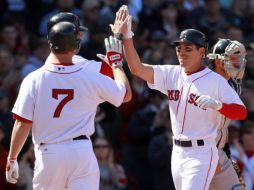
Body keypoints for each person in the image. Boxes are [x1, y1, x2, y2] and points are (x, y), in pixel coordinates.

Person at [111, 5, 247, 190]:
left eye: (188, 48)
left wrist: (218, 104)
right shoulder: (171, 73)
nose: (181, 52)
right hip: (177, 151)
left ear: (202, 52)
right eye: (179, 48)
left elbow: (241, 112)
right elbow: (137, 69)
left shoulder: (215, 81)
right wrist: (127, 38)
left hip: (202, 152)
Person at [5, 21, 132, 190]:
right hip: (81, 151)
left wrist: (12, 158)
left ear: (50, 44)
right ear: (76, 45)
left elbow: (22, 123)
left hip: (49, 153)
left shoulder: (33, 79)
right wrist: (116, 64)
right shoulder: (89, 75)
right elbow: (126, 95)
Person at [206, 39, 247, 189]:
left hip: (219, 150)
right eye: (232, 58)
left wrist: (226, 152)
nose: (237, 62)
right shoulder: (205, 83)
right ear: (218, 61)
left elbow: (223, 125)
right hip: (202, 152)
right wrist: (211, 154)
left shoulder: (232, 83)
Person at [45, 12, 113, 78]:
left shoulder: (51, 59)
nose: (81, 34)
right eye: (75, 32)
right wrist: (119, 37)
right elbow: (110, 70)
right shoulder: (74, 61)